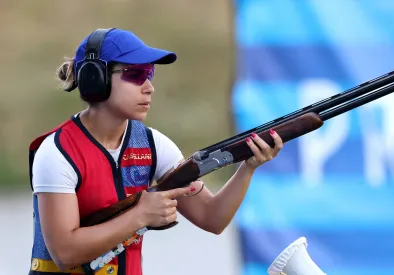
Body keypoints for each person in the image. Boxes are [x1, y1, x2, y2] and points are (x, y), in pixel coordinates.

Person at [27, 28, 284, 275]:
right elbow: (65, 253)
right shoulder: (57, 152)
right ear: (96, 78)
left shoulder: (153, 145)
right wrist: (141, 214)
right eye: (136, 74)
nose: (149, 86)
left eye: (149, 73)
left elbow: (212, 217)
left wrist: (247, 168)